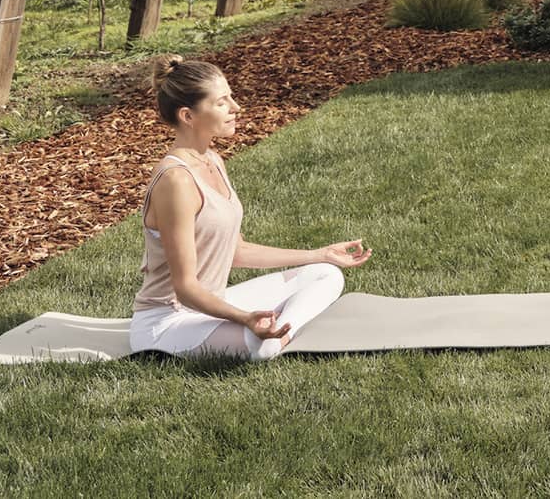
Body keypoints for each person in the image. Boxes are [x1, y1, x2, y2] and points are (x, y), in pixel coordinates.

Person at [129, 56, 372, 360]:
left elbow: (236, 251)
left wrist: (321, 253)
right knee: (261, 346)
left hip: (211, 303)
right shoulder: (176, 181)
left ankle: (276, 330)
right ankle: (275, 335)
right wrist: (243, 318)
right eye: (222, 102)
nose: (236, 107)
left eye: (230, 97)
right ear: (188, 116)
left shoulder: (212, 161)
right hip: (170, 321)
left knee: (326, 273)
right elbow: (185, 288)